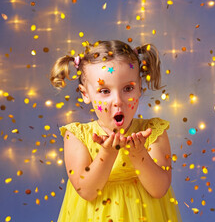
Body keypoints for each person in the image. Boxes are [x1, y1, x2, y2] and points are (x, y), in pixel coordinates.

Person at [50, 40, 182, 221]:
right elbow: (87, 191)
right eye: (104, 91)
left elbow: (159, 189)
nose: (118, 100)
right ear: (85, 94)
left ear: (140, 89)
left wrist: (138, 153)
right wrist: (107, 152)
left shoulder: (152, 132)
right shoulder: (76, 136)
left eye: (128, 88)